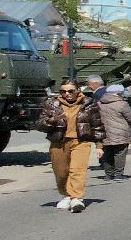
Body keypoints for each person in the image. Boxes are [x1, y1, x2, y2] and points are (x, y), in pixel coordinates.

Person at [38, 79, 102, 212]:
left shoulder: (88, 103)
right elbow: (39, 124)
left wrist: (99, 145)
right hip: (58, 142)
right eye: (63, 91)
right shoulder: (52, 104)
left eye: (70, 91)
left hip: (80, 142)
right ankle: (67, 194)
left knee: (77, 170)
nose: (67, 94)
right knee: (61, 173)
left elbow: (97, 125)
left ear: (78, 91)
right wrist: (52, 120)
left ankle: (76, 198)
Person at [94, 84, 131, 181]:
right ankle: (118, 174)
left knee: (107, 154)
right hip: (121, 133)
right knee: (120, 154)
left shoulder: (99, 103)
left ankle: (108, 174)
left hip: (104, 132)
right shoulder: (122, 104)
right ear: (119, 93)